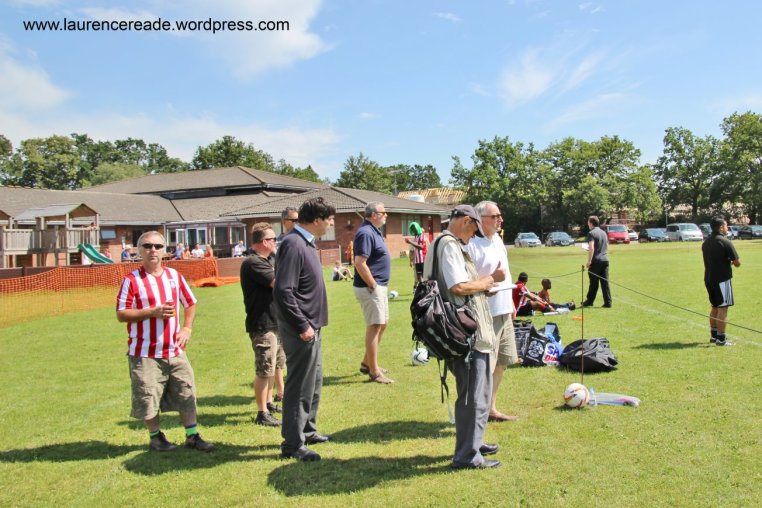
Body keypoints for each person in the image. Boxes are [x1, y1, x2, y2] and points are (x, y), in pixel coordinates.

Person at [115, 231, 214, 452]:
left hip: (175, 350)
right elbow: (121, 314)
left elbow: (190, 302)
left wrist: (187, 328)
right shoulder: (132, 280)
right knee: (148, 396)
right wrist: (152, 312)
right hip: (145, 352)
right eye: (147, 246)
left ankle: (192, 435)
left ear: (165, 251)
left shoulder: (174, 276)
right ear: (139, 250)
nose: (153, 250)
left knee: (186, 391)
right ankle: (156, 438)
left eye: (158, 246)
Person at [424, 205, 504, 469]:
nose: (473, 237)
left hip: (460, 329)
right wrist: (487, 281)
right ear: (466, 221)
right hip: (465, 332)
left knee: (477, 391)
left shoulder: (441, 242)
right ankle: (467, 456)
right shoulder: (449, 245)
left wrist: (481, 288)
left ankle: (474, 442)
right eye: (473, 230)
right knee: (473, 395)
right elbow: (457, 286)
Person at [274, 197, 335, 461]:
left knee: (314, 379)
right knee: (300, 384)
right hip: (301, 327)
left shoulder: (306, 242)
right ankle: (292, 443)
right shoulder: (293, 243)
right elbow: (283, 290)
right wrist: (302, 325)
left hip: (312, 325)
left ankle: (308, 429)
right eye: (329, 219)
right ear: (317, 220)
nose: (331, 224)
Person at [464, 201, 518, 423]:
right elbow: (466, 282)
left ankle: (491, 409)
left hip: (503, 310)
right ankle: (477, 413)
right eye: (495, 216)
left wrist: (511, 303)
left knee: (501, 362)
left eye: (500, 216)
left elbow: (507, 274)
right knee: (485, 365)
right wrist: (490, 280)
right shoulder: (471, 245)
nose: (500, 220)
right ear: (481, 219)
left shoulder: (497, 240)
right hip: (485, 314)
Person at [240, 223, 285, 427]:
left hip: (275, 321)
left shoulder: (269, 259)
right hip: (263, 324)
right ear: (263, 242)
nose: (276, 242)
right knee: (264, 369)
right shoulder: (253, 262)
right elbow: (278, 283)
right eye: (273, 239)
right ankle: (262, 412)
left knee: (274, 366)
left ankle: (268, 403)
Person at [353, 202, 393, 384]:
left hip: (378, 287)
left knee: (382, 324)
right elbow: (359, 262)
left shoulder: (374, 231)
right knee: (375, 325)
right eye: (384, 212)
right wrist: (373, 284)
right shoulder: (366, 233)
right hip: (370, 288)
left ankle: (366, 363)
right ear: (374, 215)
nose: (386, 215)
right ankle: (374, 372)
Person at [702, 217, 741, 346]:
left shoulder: (706, 242)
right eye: (726, 226)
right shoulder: (725, 242)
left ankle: (714, 336)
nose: (727, 228)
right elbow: (737, 263)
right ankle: (721, 339)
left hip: (709, 279)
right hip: (722, 280)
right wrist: (730, 262)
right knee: (722, 309)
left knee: (714, 307)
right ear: (721, 227)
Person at [582, 215, 611, 308]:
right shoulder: (603, 232)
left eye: (588, 222)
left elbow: (591, 247)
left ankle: (589, 301)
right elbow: (606, 246)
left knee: (593, 283)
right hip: (605, 260)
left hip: (596, 261)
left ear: (591, 223)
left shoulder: (591, 233)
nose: (587, 223)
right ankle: (608, 302)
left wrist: (589, 261)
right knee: (605, 282)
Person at [405, 221, 428, 290]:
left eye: (413, 229)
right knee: (418, 276)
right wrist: (411, 260)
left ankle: (427, 289)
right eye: (412, 230)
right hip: (417, 260)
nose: (413, 231)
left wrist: (410, 242)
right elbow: (412, 251)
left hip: (423, 259)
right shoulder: (416, 237)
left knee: (424, 276)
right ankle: (422, 288)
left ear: (417, 229)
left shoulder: (422, 237)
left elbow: (421, 247)